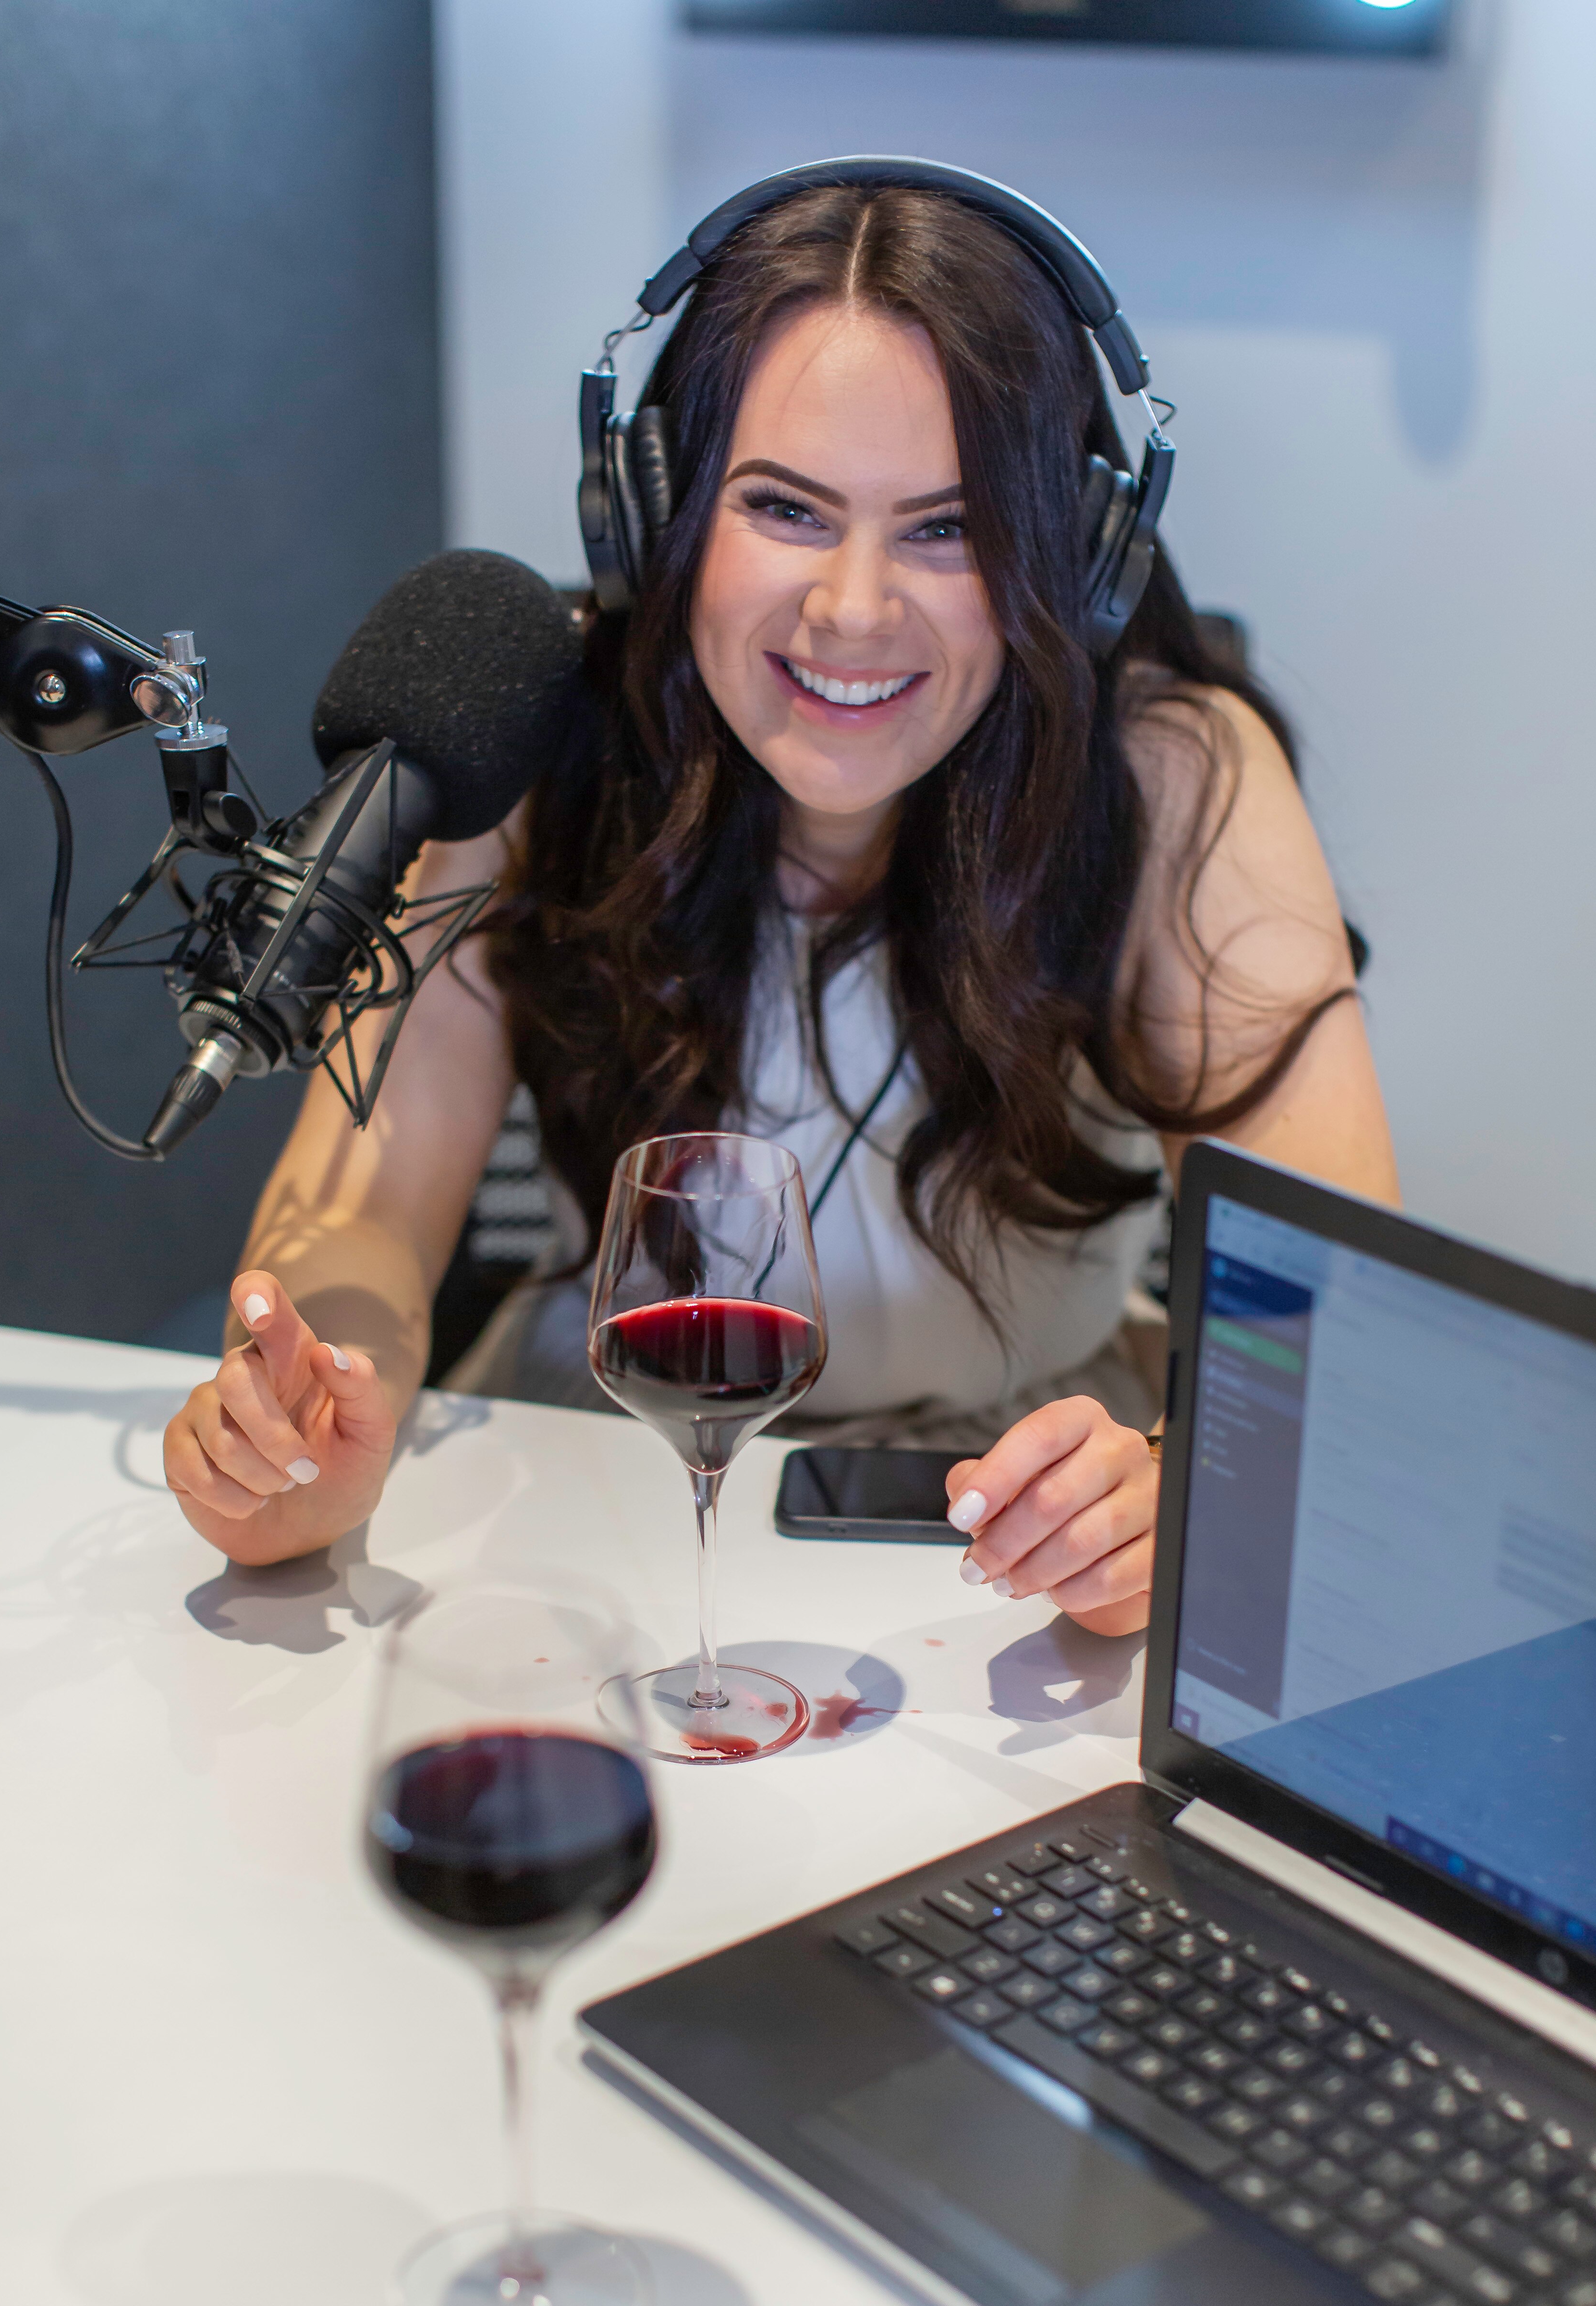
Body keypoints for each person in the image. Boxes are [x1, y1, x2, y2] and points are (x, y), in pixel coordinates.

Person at [161, 170, 1398, 1638]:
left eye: (947, 529)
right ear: (661, 508)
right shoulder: (544, 731)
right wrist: (310, 1420)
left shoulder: (1173, 774)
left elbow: (1335, 1318)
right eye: (787, 508)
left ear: (1072, 548)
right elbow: (365, 1216)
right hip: (596, 1474)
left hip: (1022, 1521)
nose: (856, 610)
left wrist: (1184, 1491)